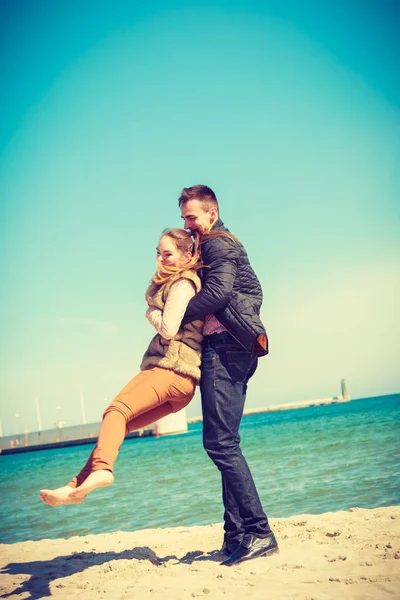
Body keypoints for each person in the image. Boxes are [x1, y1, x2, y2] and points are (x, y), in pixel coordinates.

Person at [39, 228, 203, 507]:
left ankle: (103, 469)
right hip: (183, 385)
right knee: (119, 424)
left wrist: (150, 312)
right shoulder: (177, 283)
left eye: (168, 254)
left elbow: (168, 329)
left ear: (187, 254)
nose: (162, 260)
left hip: (171, 369)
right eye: (159, 254)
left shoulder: (182, 284)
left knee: (115, 411)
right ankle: (74, 487)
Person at [179, 185, 278, 566]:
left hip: (226, 347)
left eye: (193, 217)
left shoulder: (219, 244)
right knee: (227, 442)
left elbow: (219, 294)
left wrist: (177, 317)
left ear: (211, 212)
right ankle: (236, 534)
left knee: (220, 444)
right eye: (184, 217)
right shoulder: (212, 245)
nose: (188, 224)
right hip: (231, 347)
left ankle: (258, 531)